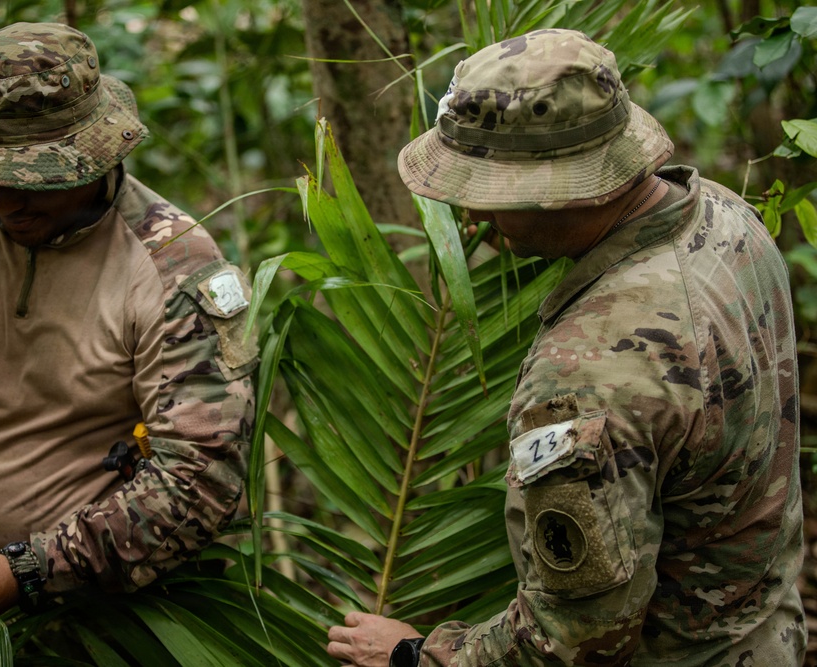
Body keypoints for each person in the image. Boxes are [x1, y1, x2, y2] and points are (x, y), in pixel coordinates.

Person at [327, 29, 806, 666]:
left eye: (491, 193)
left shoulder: (590, 374)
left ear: (565, 188)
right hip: (765, 636)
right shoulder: (720, 213)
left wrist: (417, 657)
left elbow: (576, 645)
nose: (473, 218)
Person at [0, 22, 256, 614]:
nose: (5, 201)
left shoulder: (174, 266)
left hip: (121, 611)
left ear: (97, 156)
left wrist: (34, 570)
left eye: (30, 181)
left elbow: (198, 476)